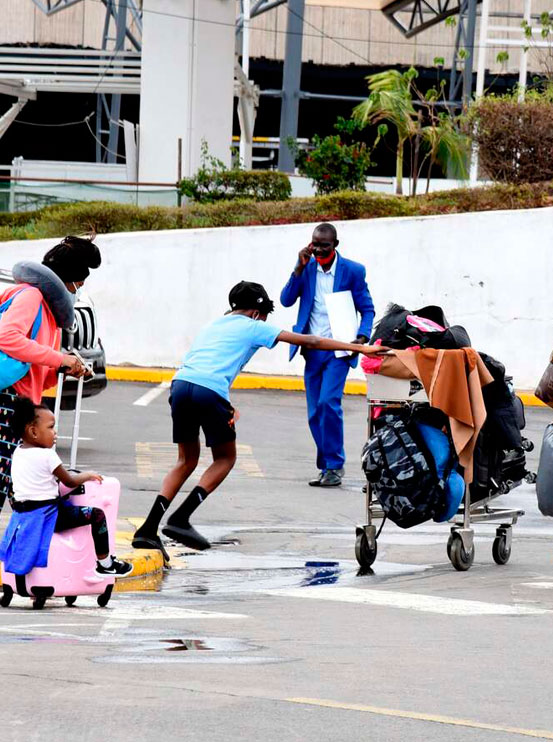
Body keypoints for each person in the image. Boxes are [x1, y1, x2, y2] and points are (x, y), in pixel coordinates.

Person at [131, 282, 383, 553]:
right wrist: (360, 349)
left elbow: (207, 364)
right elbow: (311, 340)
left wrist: (223, 402)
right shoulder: (253, 326)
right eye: (263, 315)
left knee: (185, 460)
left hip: (181, 385)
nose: (264, 321)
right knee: (225, 458)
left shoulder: (213, 325)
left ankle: (148, 529)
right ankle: (180, 518)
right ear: (255, 313)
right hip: (209, 391)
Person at [0, 236, 99, 604]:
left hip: (11, 404)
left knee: (25, 494)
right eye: (79, 280)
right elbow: (6, 338)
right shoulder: (30, 296)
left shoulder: (39, 302)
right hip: (1, 404)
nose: (80, 288)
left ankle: (39, 572)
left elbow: (31, 353)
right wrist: (59, 359)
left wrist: (64, 363)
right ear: (67, 278)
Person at [279, 223, 375, 488]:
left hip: (339, 349)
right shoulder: (306, 268)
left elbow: (367, 309)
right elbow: (286, 300)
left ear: (336, 245)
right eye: (315, 244)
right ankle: (326, 466)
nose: (319, 249)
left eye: (325, 245)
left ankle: (334, 465)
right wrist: (298, 268)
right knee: (314, 413)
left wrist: (362, 336)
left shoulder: (353, 271)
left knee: (328, 403)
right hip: (311, 349)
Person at [0, 398, 132, 577]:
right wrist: (87, 475)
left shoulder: (18, 452)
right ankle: (105, 563)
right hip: (50, 516)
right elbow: (69, 481)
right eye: (51, 427)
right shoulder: (47, 456)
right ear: (33, 431)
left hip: (25, 516)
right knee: (97, 515)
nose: (55, 433)